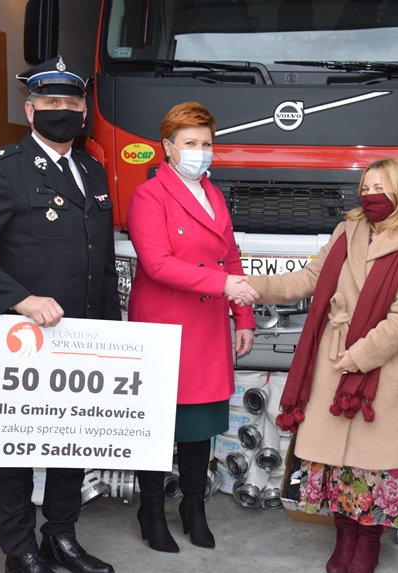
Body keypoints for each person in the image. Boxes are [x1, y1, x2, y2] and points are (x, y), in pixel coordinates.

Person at [0, 56, 118, 573]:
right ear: (30, 109)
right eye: (50, 101)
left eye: (71, 102)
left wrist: (114, 334)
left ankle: (60, 536)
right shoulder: (4, 167)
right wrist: (21, 299)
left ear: (83, 112)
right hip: (24, 336)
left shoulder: (92, 170)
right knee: (16, 446)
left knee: (73, 441)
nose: (62, 110)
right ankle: (19, 550)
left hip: (85, 336)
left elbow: (101, 261)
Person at [243, 158, 398, 573]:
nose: (370, 195)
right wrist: (251, 285)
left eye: (381, 187)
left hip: (379, 371)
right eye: (365, 187)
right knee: (336, 464)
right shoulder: (347, 230)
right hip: (332, 364)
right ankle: (344, 537)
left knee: (374, 465)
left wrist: (359, 356)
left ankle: (369, 543)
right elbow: (307, 278)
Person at [125, 101, 256, 553]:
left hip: (207, 322)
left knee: (200, 422)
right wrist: (224, 286)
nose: (201, 151)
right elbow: (157, 264)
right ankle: (151, 509)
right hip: (165, 323)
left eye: (207, 143)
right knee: (157, 424)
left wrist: (243, 317)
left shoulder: (213, 194)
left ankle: (194, 506)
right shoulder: (149, 195)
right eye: (190, 143)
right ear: (167, 147)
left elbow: (231, 256)